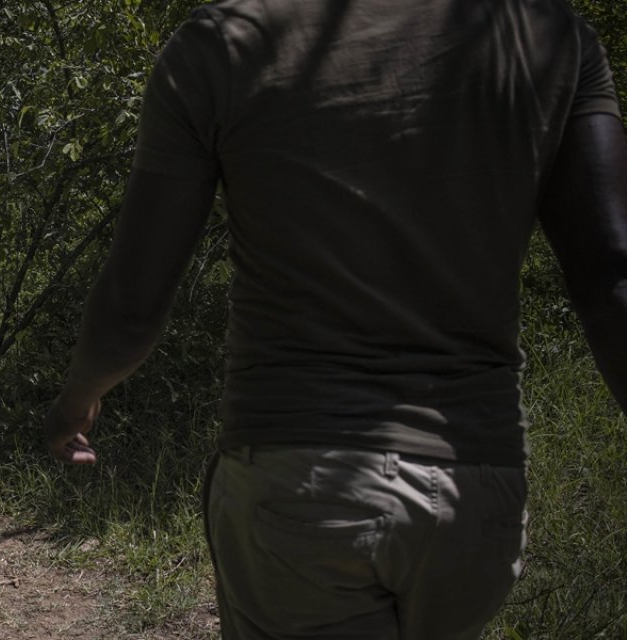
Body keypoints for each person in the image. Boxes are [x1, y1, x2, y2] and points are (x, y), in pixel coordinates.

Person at [43, 0, 626, 637]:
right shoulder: (548, 38)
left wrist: (79, 400)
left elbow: (134, 301)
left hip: (302, 486)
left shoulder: (225, 43)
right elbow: (610, 273)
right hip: (476, 490)